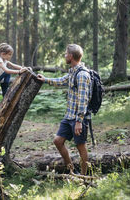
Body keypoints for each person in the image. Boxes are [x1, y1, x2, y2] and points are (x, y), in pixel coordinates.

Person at [37, 44, 91, 175]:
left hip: (79, 118)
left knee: (80, 146)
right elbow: (61, 80)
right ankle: (72, 171)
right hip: (69, 116)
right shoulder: (73, 71)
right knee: (58, 141)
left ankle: (84, 177)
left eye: (66, 54)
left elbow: (83, 100)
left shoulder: (82, 74)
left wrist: (79, 121)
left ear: (71, 56)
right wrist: (45, 80)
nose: (65, 56)